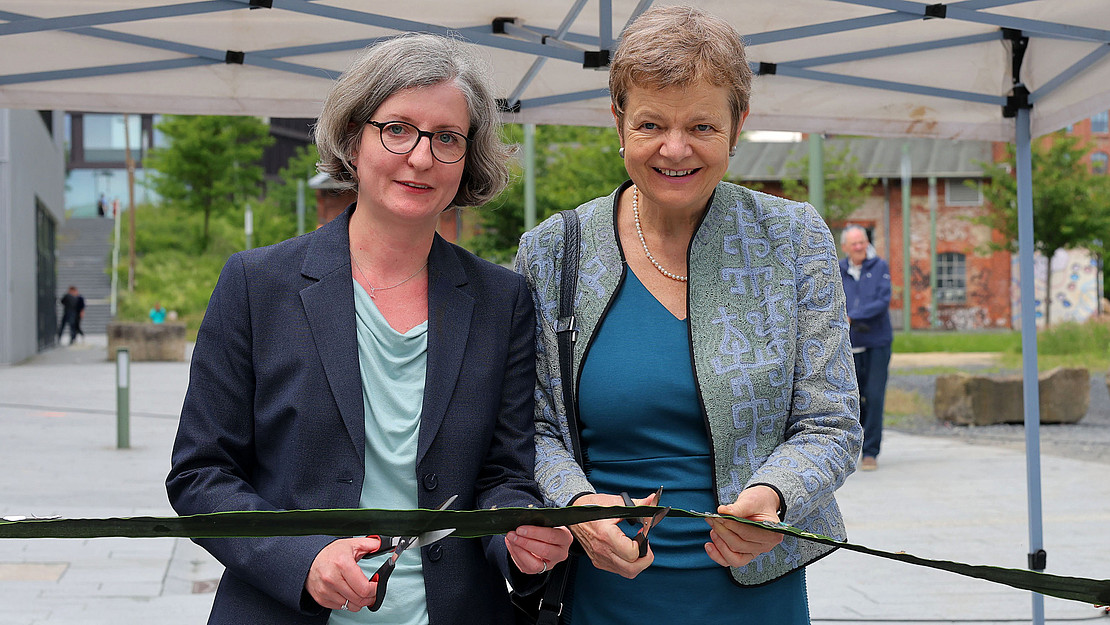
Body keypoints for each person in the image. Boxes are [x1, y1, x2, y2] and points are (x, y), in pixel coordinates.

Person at [167, 34, 571, 625]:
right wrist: (300, 560)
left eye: (447, 138)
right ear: (354, 137)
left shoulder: (502, 299)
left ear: (469, 158)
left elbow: (504, 475)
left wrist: (519, 541)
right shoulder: (258, 284)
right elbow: (201, 475)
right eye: (398, 128)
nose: (421, 156)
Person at [515, 6, 862, 624]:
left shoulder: (793, 240)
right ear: (618, 121)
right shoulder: (553, 251)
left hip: (755, 591)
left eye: (702, 124)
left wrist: (775, 494)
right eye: (651, 123)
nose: (675, 149)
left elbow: (831, 422)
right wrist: (576, 504)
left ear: (738, 124)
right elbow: (529, 426)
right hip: (599, 592)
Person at [839, 225, 893, 471]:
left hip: (877, 343)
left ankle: (870, 452)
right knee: (853, 399)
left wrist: (853, 316)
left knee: (874, 395)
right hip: (849, 345)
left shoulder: (879, 267)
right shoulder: (838, 270)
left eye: (862, 242)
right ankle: (854, 445)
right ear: (845, 247)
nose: (859, 247)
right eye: (854, 244)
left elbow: (882, 301)